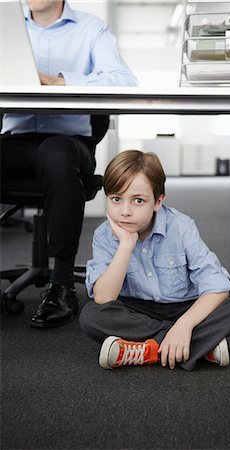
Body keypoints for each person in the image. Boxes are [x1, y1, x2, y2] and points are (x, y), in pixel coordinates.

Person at [0, 0, 137, 328]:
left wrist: (60, 81)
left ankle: (61, 285)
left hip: (69, 143)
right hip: (15, 141)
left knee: (56, 155)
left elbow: (124, 82)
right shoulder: (6, 28)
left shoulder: (92, 29)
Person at [80, 150, 230, 371]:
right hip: (138, 310)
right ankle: (198, 345)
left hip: (185, 307)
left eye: (138, 200)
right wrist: (126, 245)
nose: (125, 211)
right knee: (91, 316)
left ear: (158, 201)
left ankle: (146, 349)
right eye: (116, 199)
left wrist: (184, 324)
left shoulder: (181, 227)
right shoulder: (104, 235)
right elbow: (104, 297)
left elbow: (218, 287)